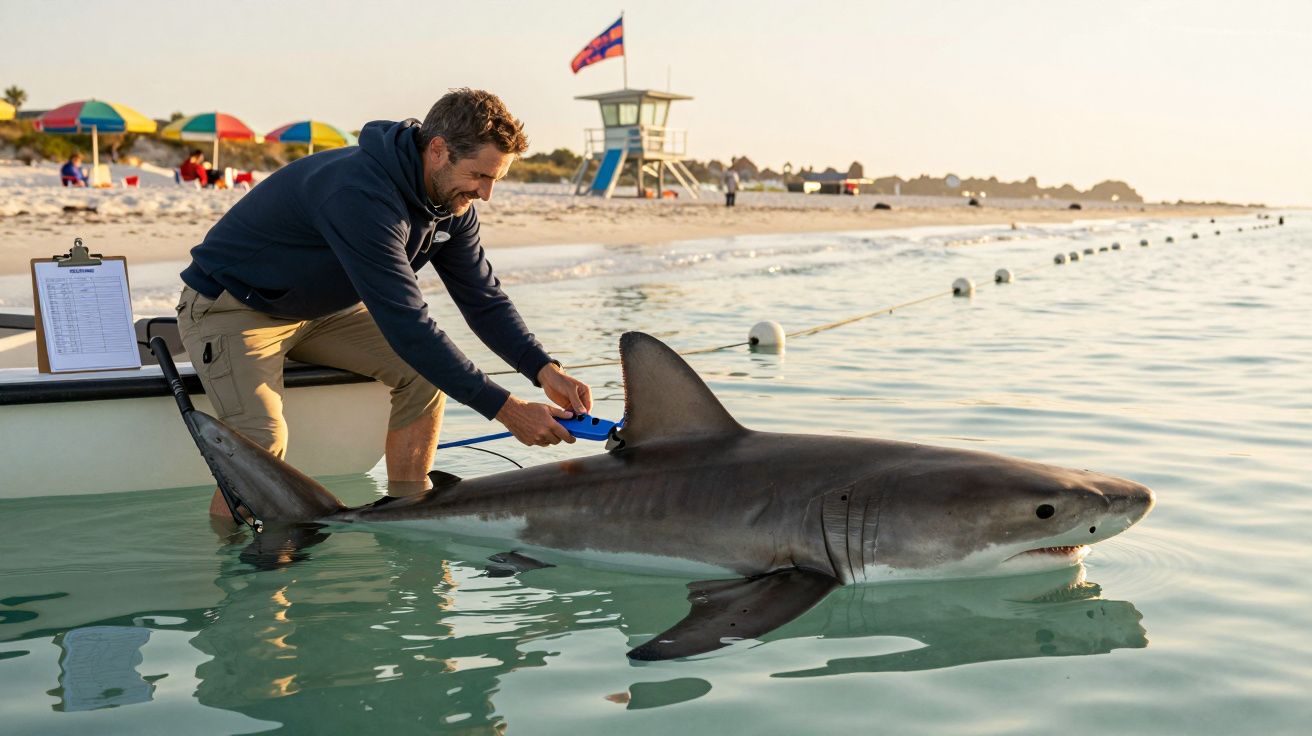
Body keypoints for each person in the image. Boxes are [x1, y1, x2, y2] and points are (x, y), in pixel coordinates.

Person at [176, 88, 592, 518]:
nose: (485, 193)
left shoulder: (453, 204)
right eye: (479, 176)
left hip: (321, 312)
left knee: (424, 375)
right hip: (234, 307)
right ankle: (232, 552)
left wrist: (544, 368)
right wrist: (507, 411)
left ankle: (407, 513)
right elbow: (407, 323)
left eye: (495, 180)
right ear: (437, 150)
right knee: (260, 440)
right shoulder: (359, 193)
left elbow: (483, 299)